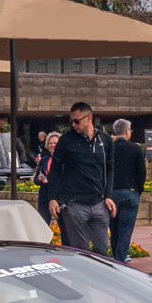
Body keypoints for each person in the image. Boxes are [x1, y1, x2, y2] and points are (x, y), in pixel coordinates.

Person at [49, 101, 116, 254]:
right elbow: (55, 171)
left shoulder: (104, 140)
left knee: (102, 249)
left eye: (77, 121)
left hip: (99, 202)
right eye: (71, 121)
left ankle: (98, 277)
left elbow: (110, 169)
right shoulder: (66, 141)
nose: (73, 124)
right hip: (74, 203)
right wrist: (53, 198)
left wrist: (109, 195)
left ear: (89, 118)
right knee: (80, 250)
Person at [107, 118, 146, 263]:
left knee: (114, 229)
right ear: (127, 131)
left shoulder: (108, 148)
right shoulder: (135, 148)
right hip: (130, 192)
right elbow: (141, 173)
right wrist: (137, 190)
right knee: (125, 231)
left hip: (112, 194)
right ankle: (120, 260)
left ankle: (116, 259)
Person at [33, 129, 61, 230]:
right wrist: (39, 179)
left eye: (55, 143)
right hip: (44, 196)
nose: (52, 145)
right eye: (50, 143)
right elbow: (35, 180)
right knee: (42, 227)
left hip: (59, 198)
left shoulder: (65, 160)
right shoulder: (44, 160)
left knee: (65, 228)